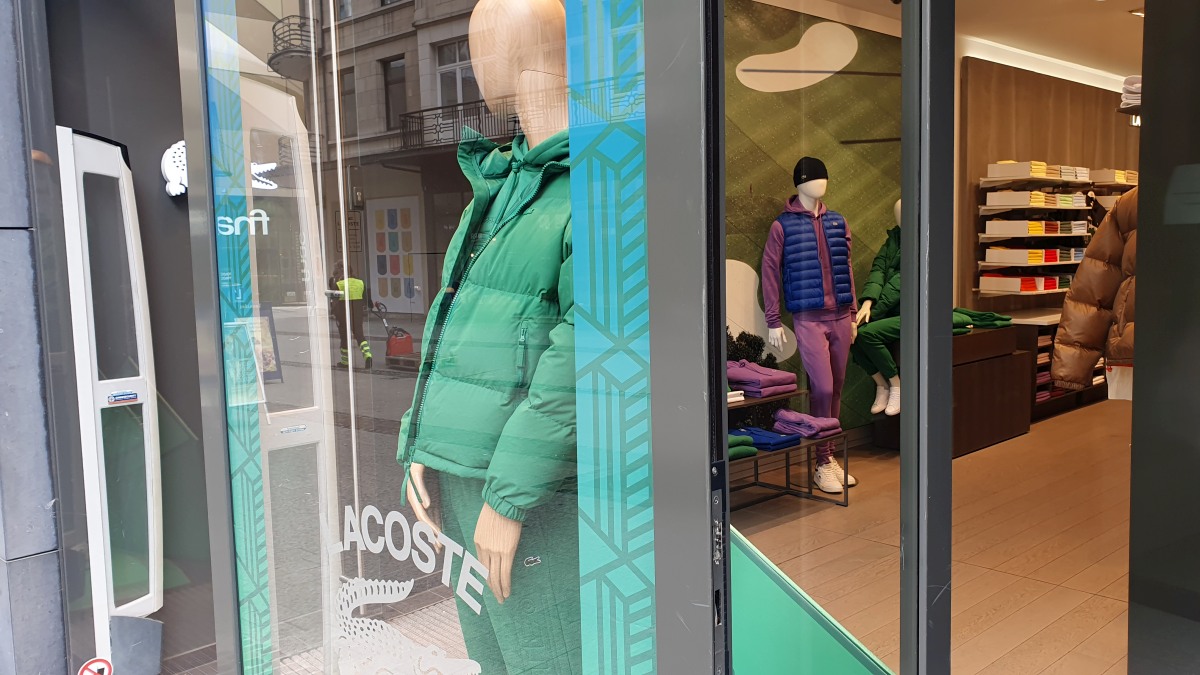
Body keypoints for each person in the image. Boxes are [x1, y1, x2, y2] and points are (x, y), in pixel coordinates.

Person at [852, 199, 903, 417]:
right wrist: (867, 303)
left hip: (911, 313)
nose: (900, 218)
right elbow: (878, 270)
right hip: (888, 311)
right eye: (897, 214)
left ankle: (897, 385)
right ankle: (882, 385)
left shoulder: (922, 241)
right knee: (851, 335)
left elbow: (897, 286)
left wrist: (874, 312)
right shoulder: (894, 239)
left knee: (866, 333)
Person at [329, 261, 373, 369]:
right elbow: (366, 298)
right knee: (359, 335)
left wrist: (333, 312)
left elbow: (334, 301)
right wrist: (370, 306)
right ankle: (368, 355)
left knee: (344, 337)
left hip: (343, 313)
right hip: (357, 313)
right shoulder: (360, 282)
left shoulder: (339, 284)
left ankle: (345, 362)